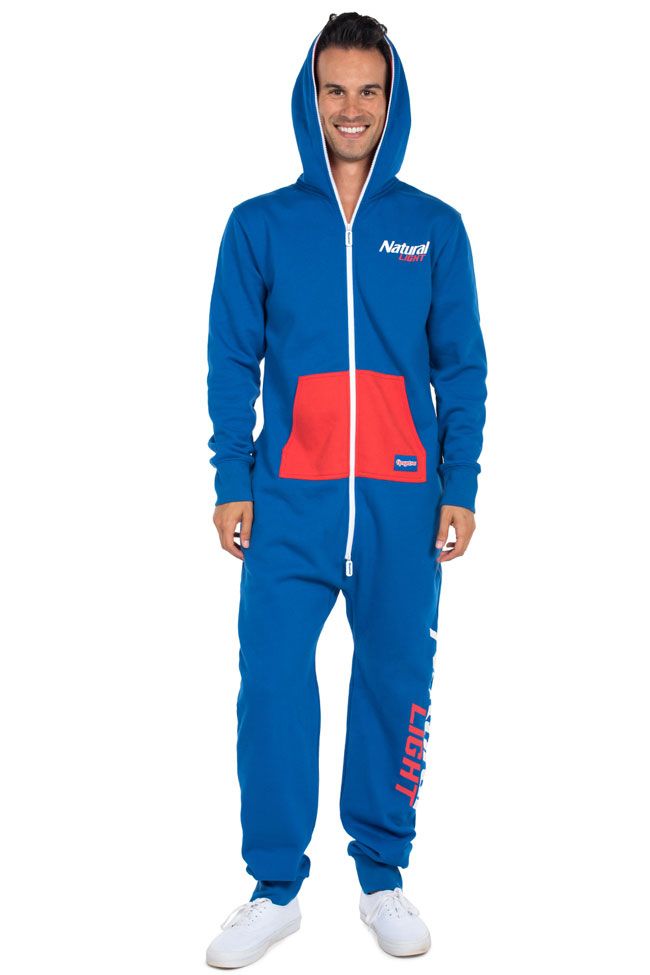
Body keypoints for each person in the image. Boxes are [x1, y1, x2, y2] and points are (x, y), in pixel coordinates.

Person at [204, 12, 488, 967]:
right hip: (290, 501)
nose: (352, 108)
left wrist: (458, 484)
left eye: (370, 90)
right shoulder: (260, 225)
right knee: (272, 685)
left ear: (392, 101)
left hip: (404, 505)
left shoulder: (434, 227)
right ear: (310, 97)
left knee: (397, 681)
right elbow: (231, 361)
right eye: (336, 89)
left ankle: (382, 873)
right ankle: (273, 887)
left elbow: (463, 367)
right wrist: (232, 478)